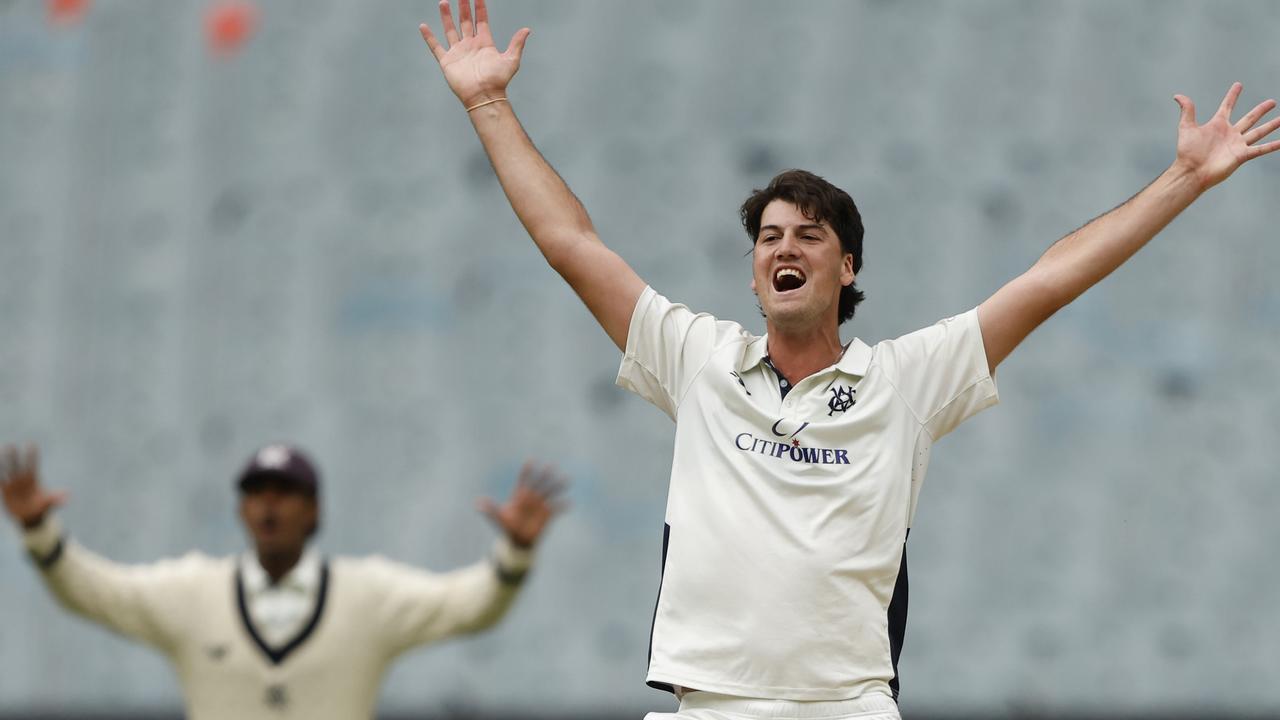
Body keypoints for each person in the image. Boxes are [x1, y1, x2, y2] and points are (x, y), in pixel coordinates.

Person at [417, 2, 1280, 718]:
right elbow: (570, 243)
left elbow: (1048, 282)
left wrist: (1184, 180)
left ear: (848, 266)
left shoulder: (907, 380)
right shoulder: (697, 359)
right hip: (710, 703)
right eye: (767, 238)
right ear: (754, 268)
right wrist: (488, 104)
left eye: (808, 235)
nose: (782, 249)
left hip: (849, 707)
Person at [1, 443, 565, 720]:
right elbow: (97, 593)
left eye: (285, 493)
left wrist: (513, 552)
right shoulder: (192, 594)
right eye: (256, 493)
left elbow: (469, 607)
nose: (269, 504)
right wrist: (38, 531)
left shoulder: (366, 597)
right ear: (242, 511)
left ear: (313, 512)